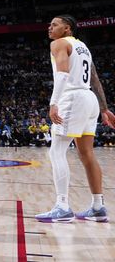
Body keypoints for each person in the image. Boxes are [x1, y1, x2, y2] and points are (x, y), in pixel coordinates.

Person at [35, 15, 115, 223]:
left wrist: (54, 103)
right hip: (89, 99)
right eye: (49, 24)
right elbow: (95, 78)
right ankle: (98, 207)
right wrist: (104, 109)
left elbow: (62, 74)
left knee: (57, 151)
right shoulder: (83, 48)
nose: (49, 27)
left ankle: (62, 206)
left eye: (55, 24)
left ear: (67, 28)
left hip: (72, 98)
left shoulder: (59, 43)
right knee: (87, 153)